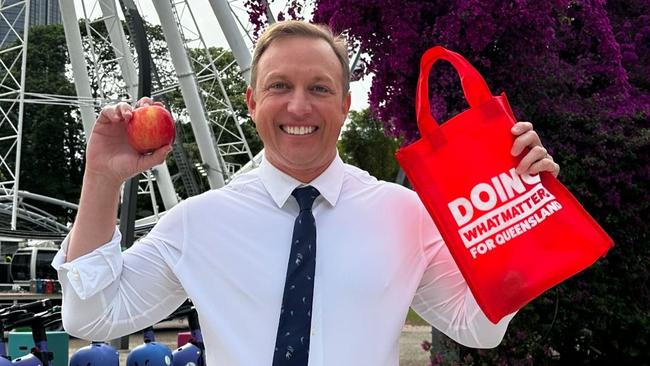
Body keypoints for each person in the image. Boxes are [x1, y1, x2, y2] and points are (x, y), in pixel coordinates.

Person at [53, 21, 560, 365]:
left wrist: (524, 214)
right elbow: (92, 314)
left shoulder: (403, 214)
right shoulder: (198, 223)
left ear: (344, 104)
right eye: (279, 87)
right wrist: (101, 178)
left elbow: (479, 327)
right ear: (251, 102)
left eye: (319, 88)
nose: (298, 106)